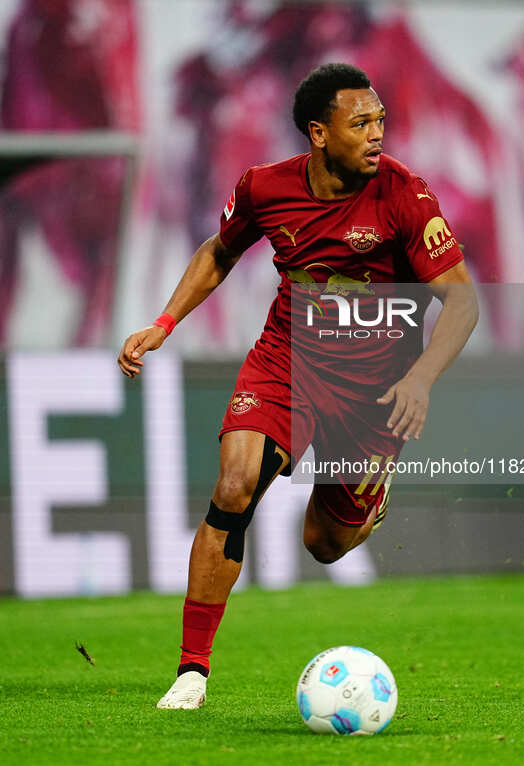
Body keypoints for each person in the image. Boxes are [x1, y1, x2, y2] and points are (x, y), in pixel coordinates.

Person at [117, 63, 478, 709]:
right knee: (234, 486)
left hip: (376, 392)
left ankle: (365, 503)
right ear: (318, 132)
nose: (376, 134)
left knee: (325, 545)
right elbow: (219, 250)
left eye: (379, 121)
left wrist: (422, 379)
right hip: (289, 362)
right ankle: (191, 671)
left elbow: (460, 303)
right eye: (359, 122)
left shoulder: (404, 194)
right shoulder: (264, 187)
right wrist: (164, 322)